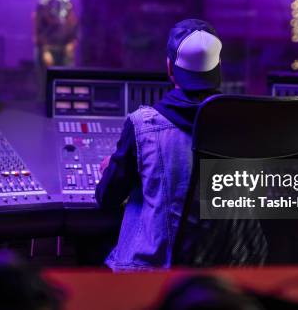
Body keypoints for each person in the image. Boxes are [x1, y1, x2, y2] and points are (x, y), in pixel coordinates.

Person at [95, 19, 227, 271]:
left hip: (150, 276)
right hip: (225, 278)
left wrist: (110, 169)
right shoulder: (245, 123)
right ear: (219, 68)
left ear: (169, 67)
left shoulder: (142, 125)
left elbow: (107, 198)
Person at [33, 0, 78, 98]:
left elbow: (73, 26)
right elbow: (39, 31)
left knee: (65, 85)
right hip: (49, 50)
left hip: (64, 50)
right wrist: (45, 51)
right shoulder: (43, 5)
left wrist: (71, 43)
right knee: (47, 86)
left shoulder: (67, 4)